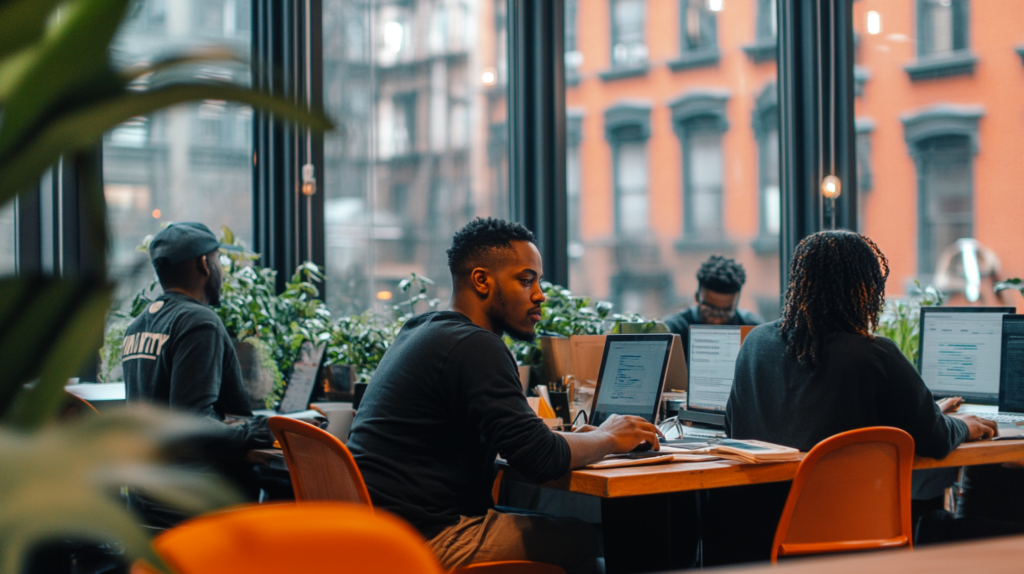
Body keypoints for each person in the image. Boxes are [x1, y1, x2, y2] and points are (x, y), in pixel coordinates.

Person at [346, 218, 661, 574]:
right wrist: (610, 436)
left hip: (380, 533)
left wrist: (577, 439)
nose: (540, 294)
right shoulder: (476, 346)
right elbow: (539, 460)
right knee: (581, 540)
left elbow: (521, 439)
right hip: (425, 539)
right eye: (526, 280)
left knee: (552, 524)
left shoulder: (424, 330)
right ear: (482, 280)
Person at [700, 230, 997, 565]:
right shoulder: (874, 355)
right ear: (864, 290)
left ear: (800, 283)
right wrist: (961, 425)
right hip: (845, 542)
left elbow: (733, 426)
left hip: (752, 539)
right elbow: (936, 437)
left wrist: (925, 410)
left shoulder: (755, 344)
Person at [122, 222, 276, 525]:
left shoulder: (137, 326)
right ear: (204, 264)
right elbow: (192, 424)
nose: (221, 269)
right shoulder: (198, 321)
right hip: (190, 508)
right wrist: (258, 430)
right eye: (218, 259)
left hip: (145, 503)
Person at [663, 255, 764, 362]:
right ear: (697, 297)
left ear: (736, 304)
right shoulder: (674, 330)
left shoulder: (752, 329)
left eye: (726, 311)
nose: (717, 319)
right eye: (710, 309)